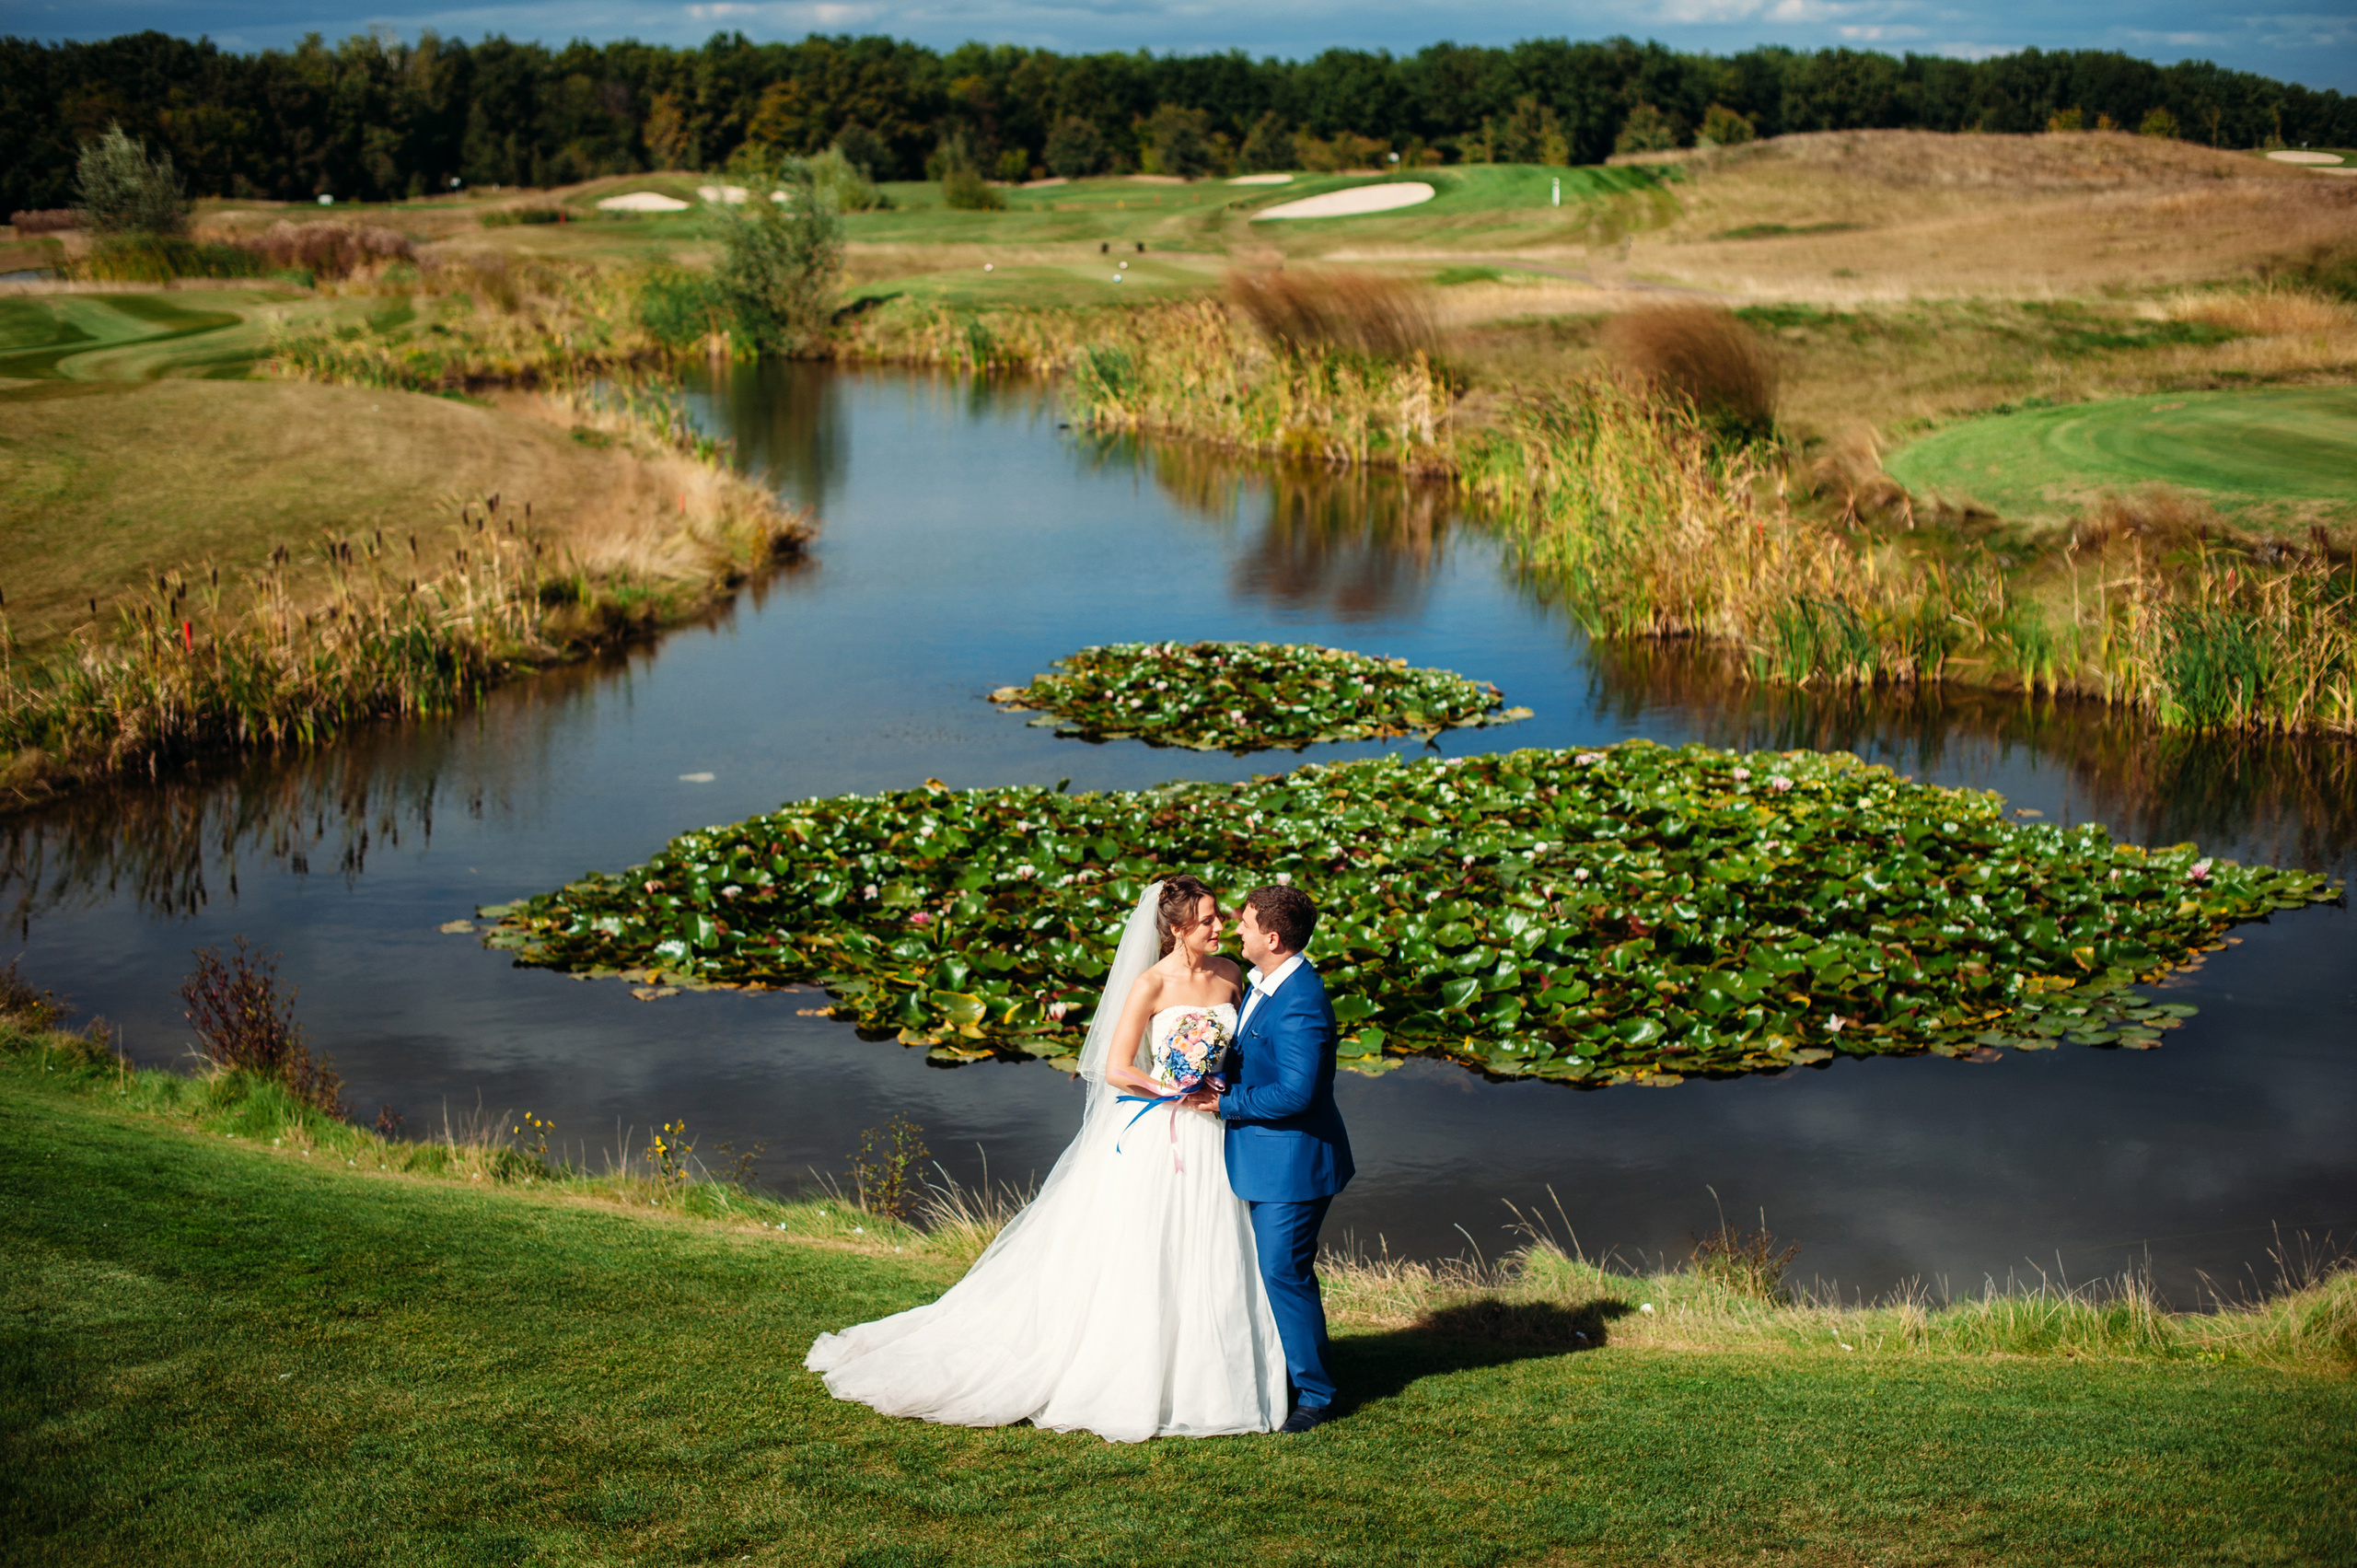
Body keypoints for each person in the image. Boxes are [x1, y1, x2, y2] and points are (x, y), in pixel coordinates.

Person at [804, 877, 1290, 1442]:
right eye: (1207, 919)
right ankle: (1136, 1373)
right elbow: (1115, 1068)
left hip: (1213, 1130)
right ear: (1178, 928)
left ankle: (1216, 1376)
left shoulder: (1232, 975)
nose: (1219, 926)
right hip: (1164, 1128)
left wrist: (1223, 1089)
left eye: (1218, 917)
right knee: (1149, 1250)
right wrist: (1169, 1089)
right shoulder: (1150, 985)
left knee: (1212, 1245)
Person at [1185, 882, 1354, 1433]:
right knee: (1272, 1271)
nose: (1236, 929)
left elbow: (1297, 1093)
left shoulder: (1301, 1001)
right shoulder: (1262, 982)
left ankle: (1317, 1395)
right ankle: (1281, 1368)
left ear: (1273, 938)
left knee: (1284, 1271)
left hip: (1294, 1165)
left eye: (1246, 923)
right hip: (1263, 1157)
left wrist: (1224, 1101)